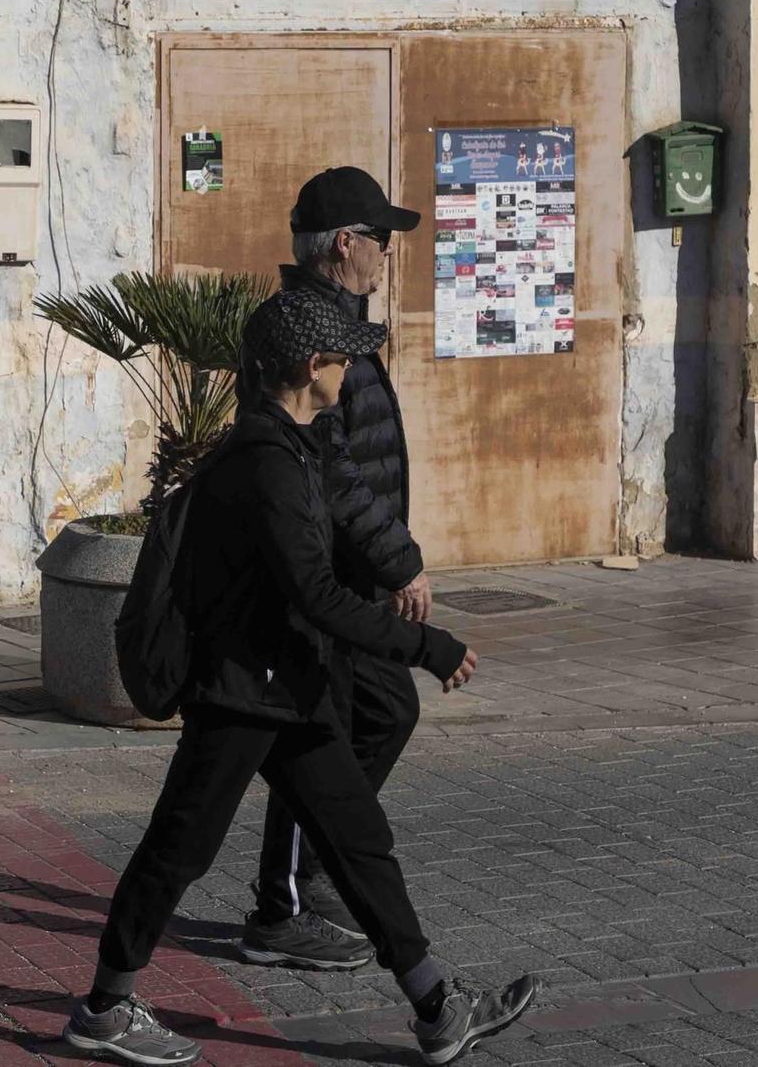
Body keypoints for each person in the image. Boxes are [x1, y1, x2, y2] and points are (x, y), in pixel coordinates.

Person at [64, 291, 539, 1067]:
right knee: (178, 849)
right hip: (242, 694)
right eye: (344, 357)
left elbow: (321, 562)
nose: (353, 367)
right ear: (313, 367)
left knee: (359, 840)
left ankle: (437, 1007)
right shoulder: (263, 464)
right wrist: (423, 645)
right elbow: (312, 591)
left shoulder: (295, 445)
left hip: (291, 689)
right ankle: (105, 1009)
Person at [233, 165, 431, 972]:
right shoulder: (306, 334)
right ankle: (280, 909)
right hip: (325, 578)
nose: (389, 253)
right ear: (344, 243)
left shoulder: (338, 318)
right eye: (380, 238)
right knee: (313, 738)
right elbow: (333, 470)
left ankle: (311, 874)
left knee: (383, 713)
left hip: (355, 577)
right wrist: (399, 559)